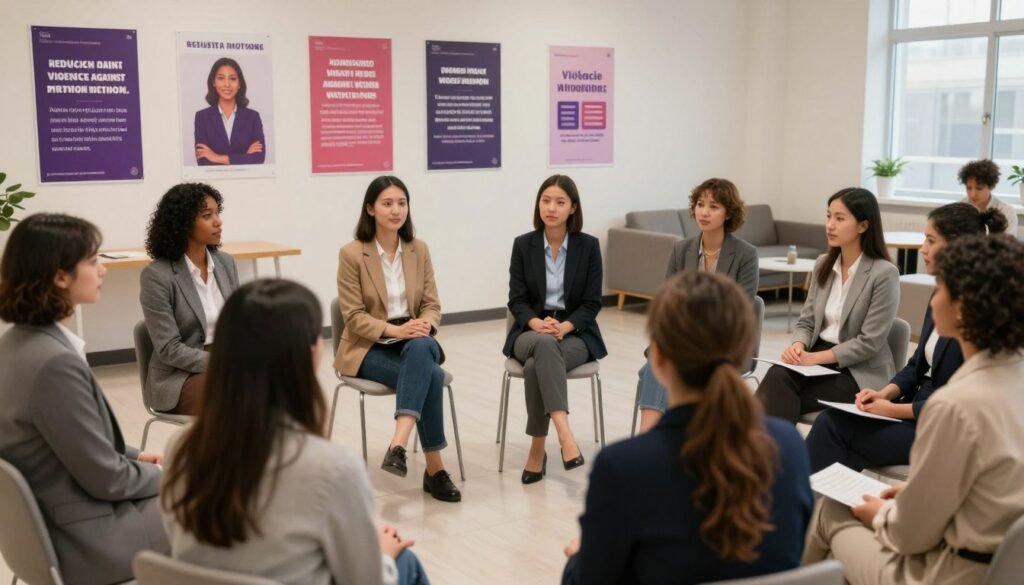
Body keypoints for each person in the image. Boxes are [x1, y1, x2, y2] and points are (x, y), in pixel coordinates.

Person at [161, 279, 429, 585]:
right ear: (312, 353)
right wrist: (382, 555)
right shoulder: (334, 469)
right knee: (404, 562)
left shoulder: (179, 448)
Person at [562, 272, 812, 585]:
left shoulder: (622, 468)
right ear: (742, 352)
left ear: (658, 357)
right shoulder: (789, 445)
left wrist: (578, 558)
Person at [804, 234, 1024, 585]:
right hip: (1004, 566)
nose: (933, 298)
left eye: (939, 287)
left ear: (962, 306)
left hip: (945, 573)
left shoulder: (955, 406)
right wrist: (912, 493)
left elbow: (907, 537)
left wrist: (881, 514)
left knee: (831, 511)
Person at [0, 214, 168, 585]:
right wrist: (162, 474)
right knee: (230, 507)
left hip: (49, 525)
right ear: (60, 277)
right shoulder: (54, 365)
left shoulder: (13, 346)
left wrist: (134, 457)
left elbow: (62, 443)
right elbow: (106, 480)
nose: (102, 270)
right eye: (92, 261)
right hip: (88, 539)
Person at [806, 203, 1007, 472]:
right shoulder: (941, 292)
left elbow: (962, 403)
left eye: (931, 240)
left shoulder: (981, 311)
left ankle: (796, 508)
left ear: (959, 247)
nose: (923, 248)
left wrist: (890, 409)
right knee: (834, 423)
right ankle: (817, 507)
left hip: (944, 428)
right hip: (915, 408)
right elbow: (916, 365)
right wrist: (884, 393)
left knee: (835, 430)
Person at [335, 176, 460, 503]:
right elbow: (353, 316)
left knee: (421, 349)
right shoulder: (351, 254)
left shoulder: (419, 249)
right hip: (369, 346)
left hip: (415, 338)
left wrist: (422, 325)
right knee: (430, 374)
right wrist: (395, 331)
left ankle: (398, 444)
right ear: (370, 209)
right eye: (387, 203)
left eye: (401, 203)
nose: (396, 210)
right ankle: (435, 470)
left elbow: (432, 304)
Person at [755, 187, 900, 423]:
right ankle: (773, 456)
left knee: (776, 395)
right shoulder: (823, 263)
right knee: (777, 376)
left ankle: (763, 455)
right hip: (817, 358)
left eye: (840, 218)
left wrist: (814, 359)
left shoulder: (884, 273)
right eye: (828, 216)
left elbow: (869, 342)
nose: (830, 225)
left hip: (857, 372)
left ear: (863, 225)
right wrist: (799, 345)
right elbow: (807, 321)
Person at [504, 174, 606, 484]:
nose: (551, 208)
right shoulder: (524, 245)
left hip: (574, 332)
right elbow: (517, 301)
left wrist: (564, 326)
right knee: (542, 347)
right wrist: (537, 323)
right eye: (546, 200)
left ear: (573, 208)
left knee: (537, 365)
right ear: (538, 205)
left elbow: (592, 303)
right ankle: (565, 434)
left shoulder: (588, 247)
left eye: (560, 202)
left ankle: (537, 450)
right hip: (529, 331)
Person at [635, 177, 759, 432]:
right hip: (681, 339)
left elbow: (741, 312)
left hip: (724, 344)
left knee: (665, 363)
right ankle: (650, 437)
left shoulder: (746, 255)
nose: (704, 211)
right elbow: (669, 301)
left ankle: (652, 441)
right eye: (700, 204)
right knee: (663, 358)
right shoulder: (681, 250)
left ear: (728, 213)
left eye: (713, 206)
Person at [140, 183, 239, 415]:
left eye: (217, 212)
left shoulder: (226, 263)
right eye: (207, 215)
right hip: (179, 376)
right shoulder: (157, 276)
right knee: (235, 394)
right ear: (183, 224)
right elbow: (169, 349)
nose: (218, 221)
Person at [193, 57, 266, 166]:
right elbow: (203, 161)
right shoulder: (202, 117)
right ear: (213, 82)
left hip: (247, 181)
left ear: (239, 84)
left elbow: (258, 158)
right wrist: (244, 157)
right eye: (221, 78)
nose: (227, 84)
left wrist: (217, 157)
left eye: (232, 79)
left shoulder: (252, 117)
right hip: (214, 181)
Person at [958, 158, 1018, 236]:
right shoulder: (960, 208)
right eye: (969, 188)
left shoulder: (1006, 212)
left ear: (991, 186)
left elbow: (1008, 244)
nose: (973, 194)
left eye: (979, 188)